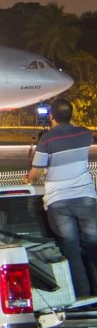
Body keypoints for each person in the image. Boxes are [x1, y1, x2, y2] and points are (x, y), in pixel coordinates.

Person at [22, 98, 96, 297]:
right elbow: (72, 129)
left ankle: (84, 295)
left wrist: (28, 178)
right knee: (93, 246)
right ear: (70, 114)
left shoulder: (47, 139)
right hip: (85, 197)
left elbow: (36, 171)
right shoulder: (85, 134)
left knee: (71, 250)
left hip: (59, 201)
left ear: (51, 116)